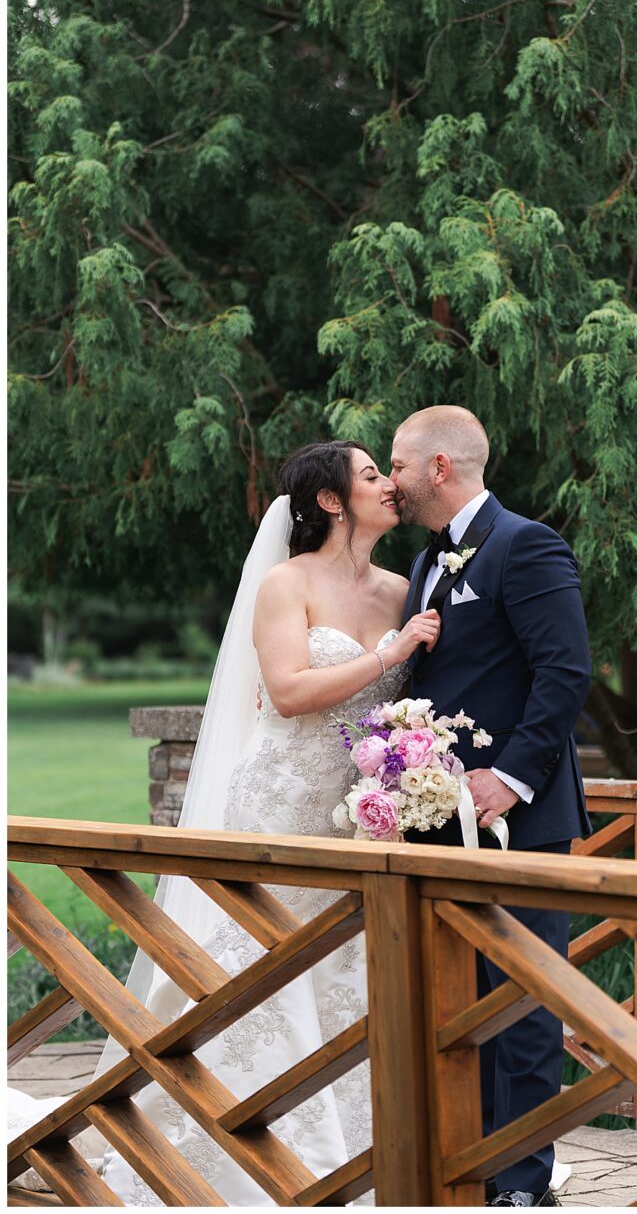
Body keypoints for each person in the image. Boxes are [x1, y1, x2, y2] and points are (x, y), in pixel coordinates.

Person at [91, 443, 436, 1203]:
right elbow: (284, 690)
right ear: (331, 501)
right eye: (372, 473)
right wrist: (387, 656)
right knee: (259, 966)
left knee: (346, 971)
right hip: (280, 802)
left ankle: (360, 1147)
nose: (389, 484)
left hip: (357, 812)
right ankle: (237, 1146)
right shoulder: (286, 583)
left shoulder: (399, 588)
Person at [390, 405, 592, 1209]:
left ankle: (522, 1184)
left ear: (439, 467)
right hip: (438, 817)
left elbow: (563, 674)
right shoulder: (424, 562)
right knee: (454, 1000)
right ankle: (464, 1166)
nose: (392, 480)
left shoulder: (526, 544)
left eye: (399, 466)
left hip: (519, 818)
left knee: (523, 998)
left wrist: (508, 779)